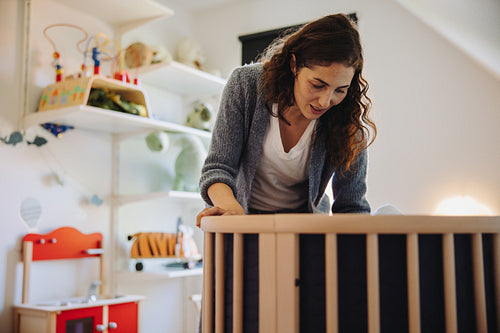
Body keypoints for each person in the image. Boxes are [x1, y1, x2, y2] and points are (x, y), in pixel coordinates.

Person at [197, 13, 377, 332]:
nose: (326, 100)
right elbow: (217, 168)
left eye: (340, 89)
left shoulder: (347, 119)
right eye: (318, 84)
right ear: (294, 65)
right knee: (233, 315)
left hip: (305, 233)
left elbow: (352, 207)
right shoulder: (246, 85)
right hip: (245, 224)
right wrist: (231, 211)